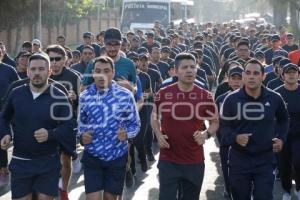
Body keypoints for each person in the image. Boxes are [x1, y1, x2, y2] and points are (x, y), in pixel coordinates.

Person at [0, 53, 75, 200]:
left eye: (41, 69)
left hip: (48, 161)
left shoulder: (59, 96)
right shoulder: (16, 93)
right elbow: (3, 117)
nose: (36, 73)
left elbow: (69, 126)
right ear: (27, 71)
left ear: (49, 71)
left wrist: (51, 134)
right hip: (21, 161)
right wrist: (5, 133)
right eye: (33, 69)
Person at [151, 53, 219, 200]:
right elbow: (154, 117)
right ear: (175, 71)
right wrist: (158, 134)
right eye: (184, 67)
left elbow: (215, 122)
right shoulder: (163, 93)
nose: (189, 70)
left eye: (193, 67)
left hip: (194, 160)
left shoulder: (205, 96)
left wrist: (206, 134)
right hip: (168, 158)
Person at [220, 59, 289, 200]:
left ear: (263, 76)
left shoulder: (275, 98)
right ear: (244, 75)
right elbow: (223, 128)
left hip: (265, 159)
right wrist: (235, 137)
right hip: (239, 159)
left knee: (264, 196)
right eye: (248, 73)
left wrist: (281, 138)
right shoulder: (231, 100)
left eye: (256, 73)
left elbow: (284, 119)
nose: (252, 76)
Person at [78, 56, 140, 200]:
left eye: (106, 71)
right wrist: (82, 137)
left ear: (113, 72)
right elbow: (80, 124)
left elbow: (135, 124)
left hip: (117, 156)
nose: (102, 75)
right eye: (98, 71)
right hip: (92, 156)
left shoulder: (125, 95)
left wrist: (127, 134)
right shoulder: (84, 96)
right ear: (93, 73)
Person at [215, 65, 244, 198]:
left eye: (239, 78)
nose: (237, 81)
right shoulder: (221, 99)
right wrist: (222, 139)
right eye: (234, 78)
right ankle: (228, 189)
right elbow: (216, 122)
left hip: (247, 142)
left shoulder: (253, 97)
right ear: (228, 80)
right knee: (227, 169)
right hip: (226, 141)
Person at [274, 63, 300, 200]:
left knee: (298, 161)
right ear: (282, 75)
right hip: (282, 136)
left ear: (298, 75)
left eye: (294, 72)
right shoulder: (276, 94)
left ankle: (299, 188)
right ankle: (286, 191)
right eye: (288, 72)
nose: (291, 74)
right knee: (284, 166)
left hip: (299, 135)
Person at [0, 47, 19, 187]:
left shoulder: (8, 69)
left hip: (4, 111)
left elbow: (18, 85)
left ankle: (3, 169)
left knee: (2, 140)